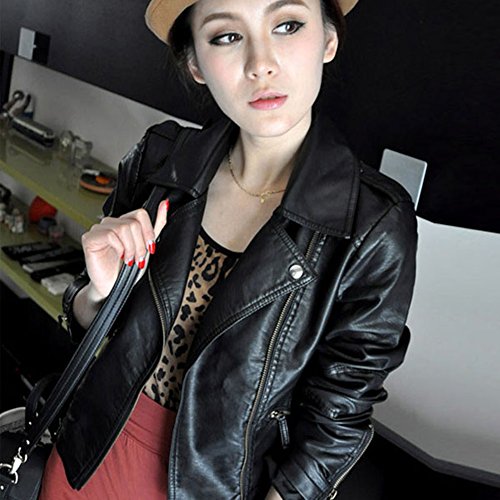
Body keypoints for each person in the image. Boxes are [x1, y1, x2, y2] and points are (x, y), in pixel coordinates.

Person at [39, 0, 418, 498]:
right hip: (88, 453)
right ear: (195, 63)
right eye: (226, 36)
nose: (261, 63)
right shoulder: (161, 160)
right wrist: (100, 293)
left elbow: (337, 419)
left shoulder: (372, 222)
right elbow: (91, 326)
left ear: (328, 39)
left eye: (287, 25)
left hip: (214, 487)